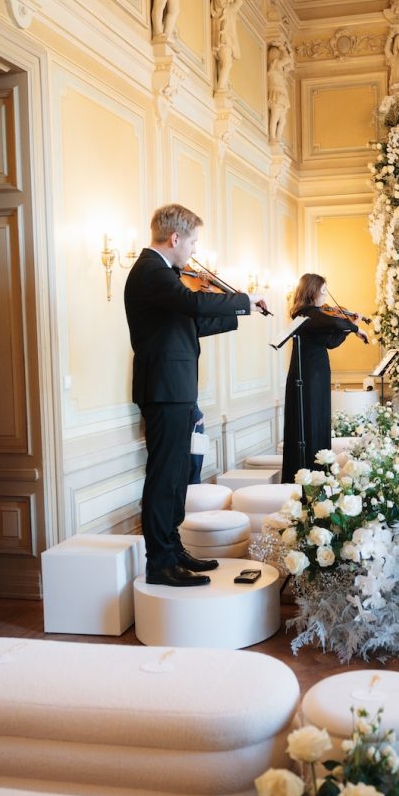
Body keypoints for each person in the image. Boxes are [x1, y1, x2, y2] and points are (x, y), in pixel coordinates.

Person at [124, 203, 267, 586]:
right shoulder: (152, 271)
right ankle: (160, 563)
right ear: (175, 238)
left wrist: (243, 312)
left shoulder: (164, 275)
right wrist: (243, 298)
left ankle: (173, 550)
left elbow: (190, 322)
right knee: (164, 476)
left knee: (176, 476)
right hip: (164, 389)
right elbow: (192, 304)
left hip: (175, 388)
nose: (194, 250)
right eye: (193, 242)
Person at [281, 274, 369, 484]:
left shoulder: (317, 316)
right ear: (312, 291)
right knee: (309, 420)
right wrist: (355, 327)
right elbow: (336, 323)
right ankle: (307, 476)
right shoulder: (306, 313)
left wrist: (350, 327)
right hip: (307, 376)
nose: (325, 294)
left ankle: (320, 474)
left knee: (319, 419)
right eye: (322, 290)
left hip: (318, 374)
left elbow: (330, 342)